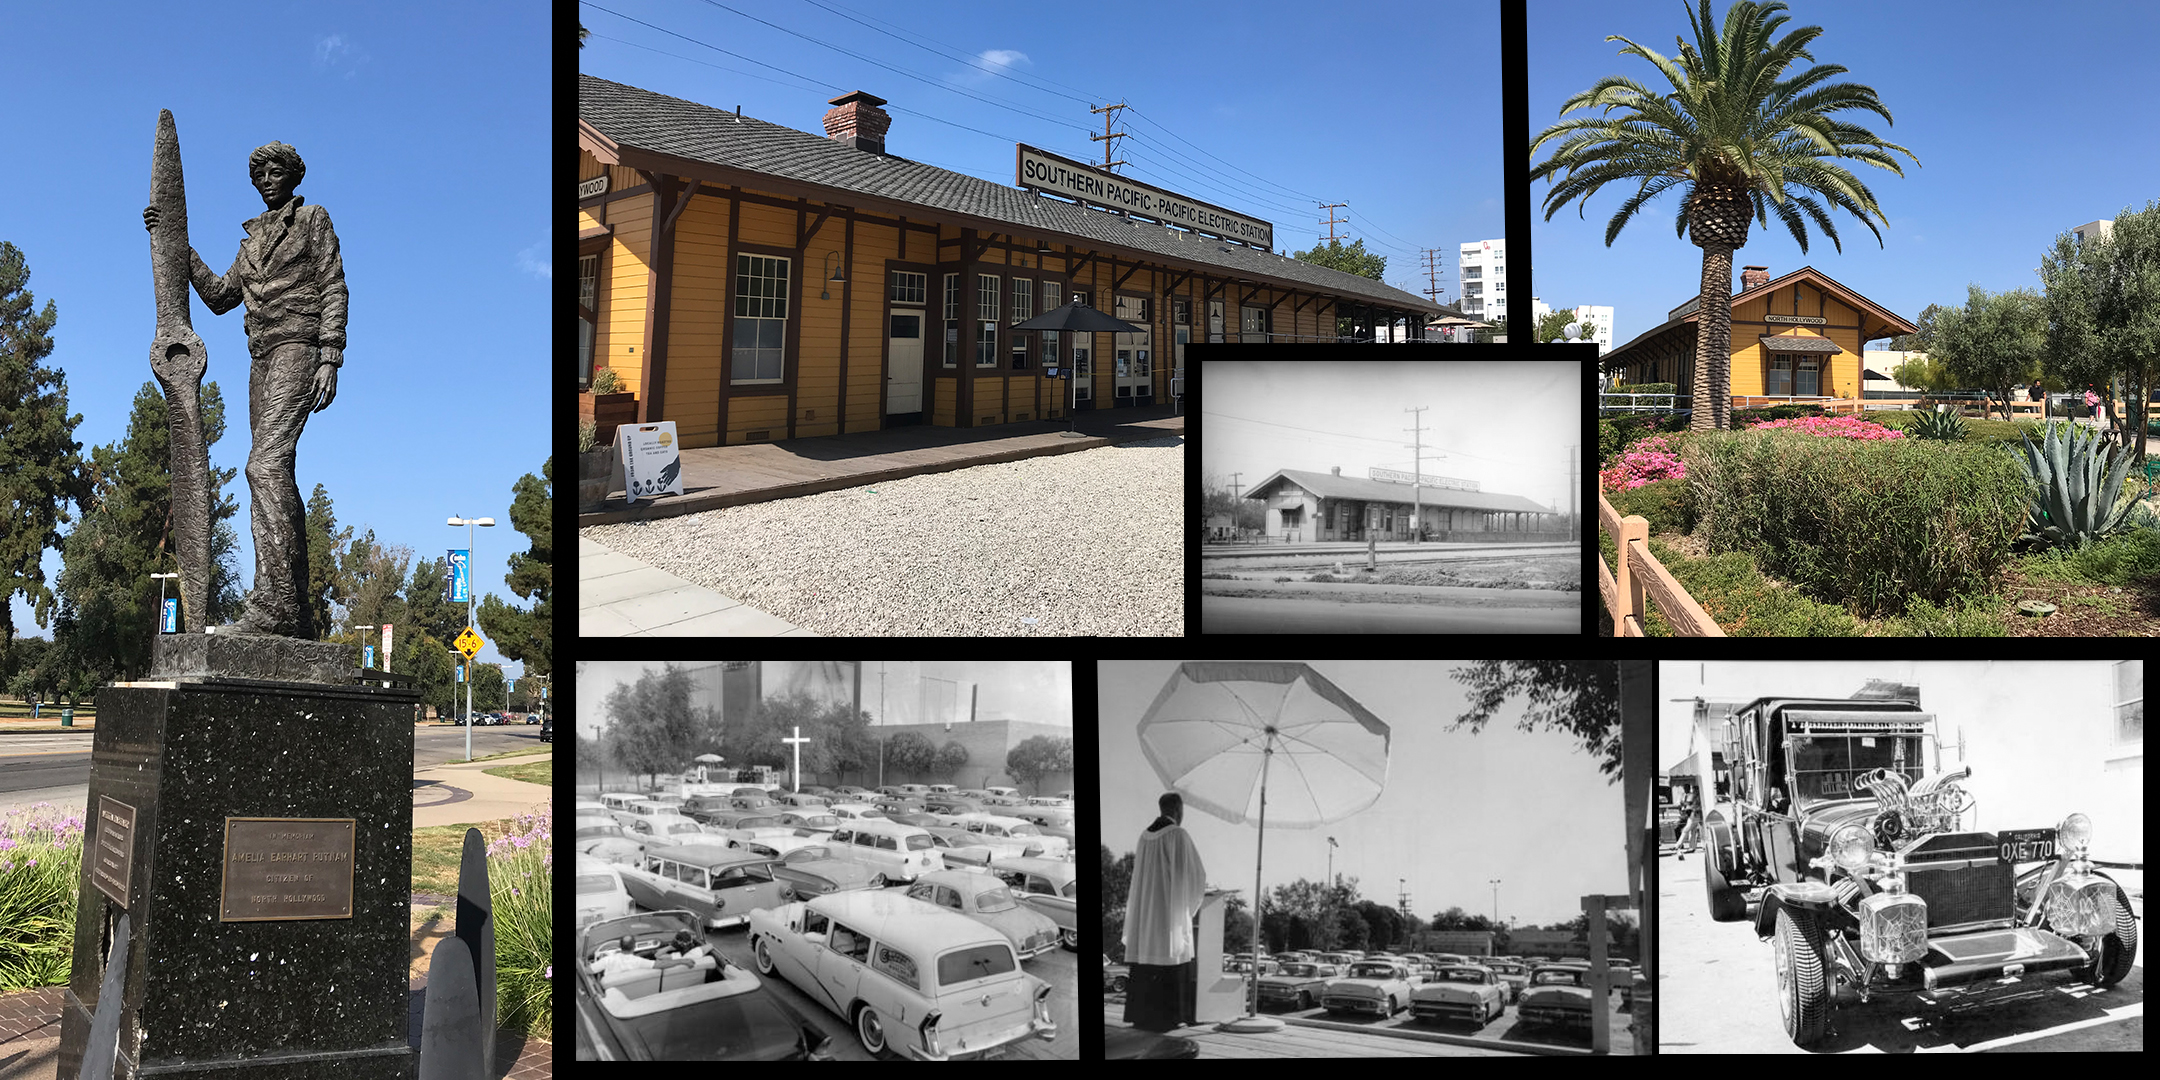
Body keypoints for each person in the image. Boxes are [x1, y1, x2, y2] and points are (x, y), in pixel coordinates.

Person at [144, 141, 346, 637]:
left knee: (264, 466)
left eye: (276, 172)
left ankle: (273, 607)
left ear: (294, 176)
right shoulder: (251, 240)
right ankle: (293, 606)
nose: (267, 180)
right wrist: (175, 240)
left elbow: (334, 285)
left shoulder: (313, 220)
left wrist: (330, 355)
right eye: (260, 175)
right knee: (275, 475)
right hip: (261, 359)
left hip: (299, 346)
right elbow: (218, 296)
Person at [1122, 791, 1208, 1032]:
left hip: (1145, 915)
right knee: (1172, 954)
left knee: (1146, 960)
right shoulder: (1178, 834)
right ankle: (1170, 1016)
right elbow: (1195, 874)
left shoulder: (1143, 836)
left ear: (1161, 809)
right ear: (1178, 810)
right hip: (1169, 913)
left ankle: (1142, 1015)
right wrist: (1188, 910)